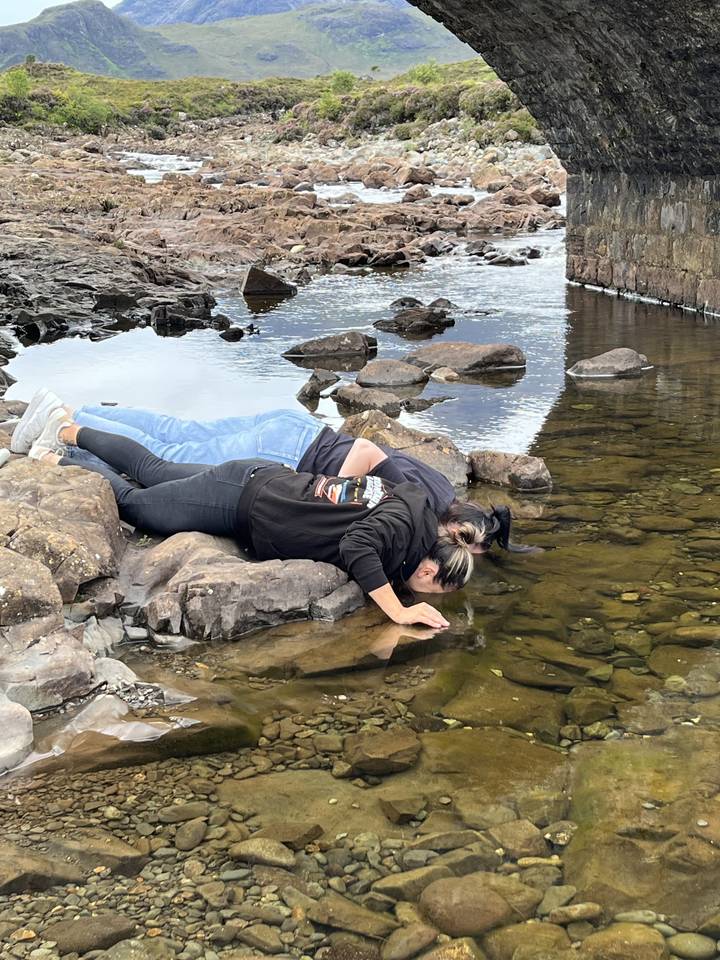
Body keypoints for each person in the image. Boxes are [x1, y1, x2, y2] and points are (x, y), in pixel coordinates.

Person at [28, 409, 476, 628]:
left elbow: (370, 461)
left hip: (266, 476)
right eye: (436, 589)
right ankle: (60, 450)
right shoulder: (398, 532)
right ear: (430, 568)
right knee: (139, 501)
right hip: (241, 499)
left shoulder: (417, 505)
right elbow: (357, 547)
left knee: (157, 470)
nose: (430, 595)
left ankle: (69, 433)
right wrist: (397, 611)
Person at [11, 389, 535, 555]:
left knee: (177, 430)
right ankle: (64, 424)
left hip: (299, 432)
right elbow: (368, 450)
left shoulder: (443, 491)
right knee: (164, 452)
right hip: (291, 456)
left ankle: (72, 412)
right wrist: (307, 488)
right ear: (464, 530)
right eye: (468, 550)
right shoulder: (423, 500)